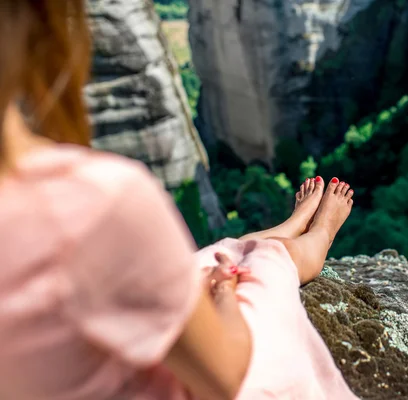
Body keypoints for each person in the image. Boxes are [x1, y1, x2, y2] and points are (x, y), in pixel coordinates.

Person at [0, 1, 359, 399]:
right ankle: (312, 238)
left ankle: (285, 230)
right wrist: (223, 295)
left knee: (207, 259)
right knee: (259, 273)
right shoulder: (94, 204)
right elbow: (227, 377)